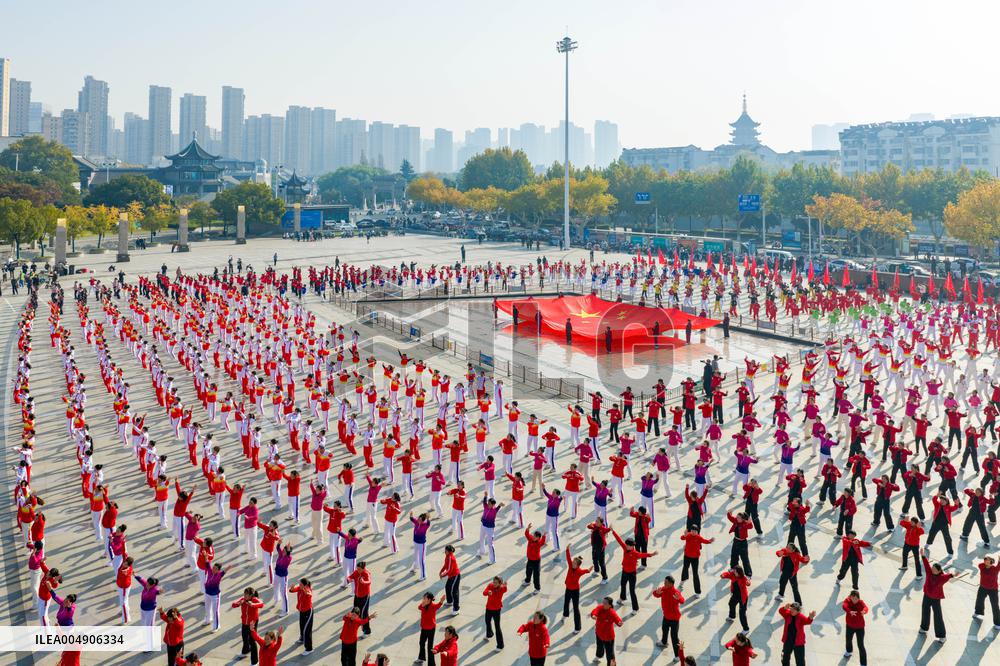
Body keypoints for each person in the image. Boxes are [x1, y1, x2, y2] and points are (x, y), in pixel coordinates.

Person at [920, 555, 963, 641]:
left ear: (939, 571)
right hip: (927, 596)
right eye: (932, 568)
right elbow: (926, 565)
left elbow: (949, 575)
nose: (932, 570)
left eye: (934, 569)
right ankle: (924, 628)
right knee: (925, 611)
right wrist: (923, 556)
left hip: (936, 599)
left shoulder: (941, 577)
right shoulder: (929, 572)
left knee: (938, 616)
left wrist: (955, 574)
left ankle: (942, 636)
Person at [611, 529, 655, 612]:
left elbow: (643, 555)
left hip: (632, 574)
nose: (626, 546)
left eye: (628, 545)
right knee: (623, 585)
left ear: (632, 546)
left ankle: (635, 608)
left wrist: (651, 554)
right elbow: (619, 540)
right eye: (626, 545)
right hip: (624, 572)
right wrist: (613, 531)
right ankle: (622, 598)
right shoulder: (625, 548)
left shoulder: (635, 553)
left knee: (632, 591)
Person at [651, 575, 684, 657]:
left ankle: (678, 655)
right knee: (664, 630)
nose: (664, 583)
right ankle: (664, 642)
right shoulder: (663, 589)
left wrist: (679, 598)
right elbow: (655, 594)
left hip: (674, 619)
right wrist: (656, 592)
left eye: (666, 582)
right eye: (664, 581)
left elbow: (682, 600)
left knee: (674, 637)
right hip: (666, 616)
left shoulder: (676, 592)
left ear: (671, 584)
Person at [232, 587, 264, 664]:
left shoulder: (254, 599)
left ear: (251, 595)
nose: (245, 596)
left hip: (252, 623)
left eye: (246, 594)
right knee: (244, 637)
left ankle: (254, 661)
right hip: (244, 623)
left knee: (252, 641)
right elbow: (233, 605)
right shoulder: (243, 600)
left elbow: (261, 604)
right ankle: (245, 650)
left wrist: (253, 604)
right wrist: (238, 604)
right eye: (244, 594)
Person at [563, 546, 591, 632]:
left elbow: (586, 571)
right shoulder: (570, 566)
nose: (572, 564)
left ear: (578, 565)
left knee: (575, 608)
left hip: (575, 591)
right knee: (566, 602)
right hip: (568, 589)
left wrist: (589, 570)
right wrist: (567, 549)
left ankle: (577, 627)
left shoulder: (579, 571)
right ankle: (565, 614)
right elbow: (568, 558)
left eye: (574, 563)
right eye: (572, 562)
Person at [589, 596, 623, 666]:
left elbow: (617, 619)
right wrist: (594, 615)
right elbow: (595, 611)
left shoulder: (612, 612)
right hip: (599, 633)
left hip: (608, 638)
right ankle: (599, 656)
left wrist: (619, 622)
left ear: (609, 605)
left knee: (610, 654)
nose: (603, 604)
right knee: (599, 646)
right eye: (603, 602)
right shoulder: (600, 607)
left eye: (605, 603)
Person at [417, 592, 444, 665]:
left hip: (431, 629)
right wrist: (423, 604)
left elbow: (438, 605)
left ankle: (431, 664)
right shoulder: (423, 604)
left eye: (425, 598)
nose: (423, 599)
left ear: (429, 599)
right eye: (423, 598)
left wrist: (441, 601)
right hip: (423, 628)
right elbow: (419, 607)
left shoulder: (433, 606)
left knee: (430, 646)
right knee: (421, 643)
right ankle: (421, 658)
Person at [842, 590, 868, 665]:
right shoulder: (847, 601)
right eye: (853, 598)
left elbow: (866, 607)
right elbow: (844, 606)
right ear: (850, 597)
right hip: (850, 626)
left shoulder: (860, 602)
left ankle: (863, 663)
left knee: (860, 645)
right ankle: (849, 651)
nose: (854, 600)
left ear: (858, 598)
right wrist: (849, 611)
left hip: (860, 627)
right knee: (848, 640)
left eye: (856, 598)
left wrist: (864, 611)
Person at [289, 578, 314, 655]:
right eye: (299, 584)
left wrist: (305, 591)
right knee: (302, 625)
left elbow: (309, 594)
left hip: (308, 612)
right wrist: (292, 588)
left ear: (305, 585)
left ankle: (309, 648)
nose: (299, 585)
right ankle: (302, 638)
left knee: (307, 630)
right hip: (302, 611)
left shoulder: (307, 589)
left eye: (300, 584)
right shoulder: (300, 588)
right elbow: (292, 591)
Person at [974, 555, 1000, 628]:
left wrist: (998, 560)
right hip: (982, 588)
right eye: (985, 559)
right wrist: (987, 563)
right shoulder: (982, 566)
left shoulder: (995, 569)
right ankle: (978, 612)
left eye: (987, 560)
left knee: (995, 605)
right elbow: (980, 564)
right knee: (979, 600)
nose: (985, 560)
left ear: (991, 561)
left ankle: (998, 623)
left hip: (993, 590)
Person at [722, 566, 750, 631]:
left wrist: (748, 583)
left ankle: (746, 629)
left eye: (735, 572)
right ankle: (732, 616)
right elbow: (727, 574)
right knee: (731, 604)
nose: (734, 572)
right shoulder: (733, 575)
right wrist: (723, 575)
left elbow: (748, 582)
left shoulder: (743, 578)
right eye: (734, 571)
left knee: (742, 614)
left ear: (739, 573)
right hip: (735, 596)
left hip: (743, 598)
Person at [482, 576, 507, 649]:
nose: (494, 584)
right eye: (493, 582)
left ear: (500, 583)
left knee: (497, 627)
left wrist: (505, 585)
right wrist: (488, 592)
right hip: (488, 608)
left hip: (497, 610)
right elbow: (484, 593)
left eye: (496, 583)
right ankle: (489, 634)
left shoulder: (502, 588)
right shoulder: (490, 585)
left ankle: (500, 645)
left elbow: (505, 588)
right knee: (487, 622)